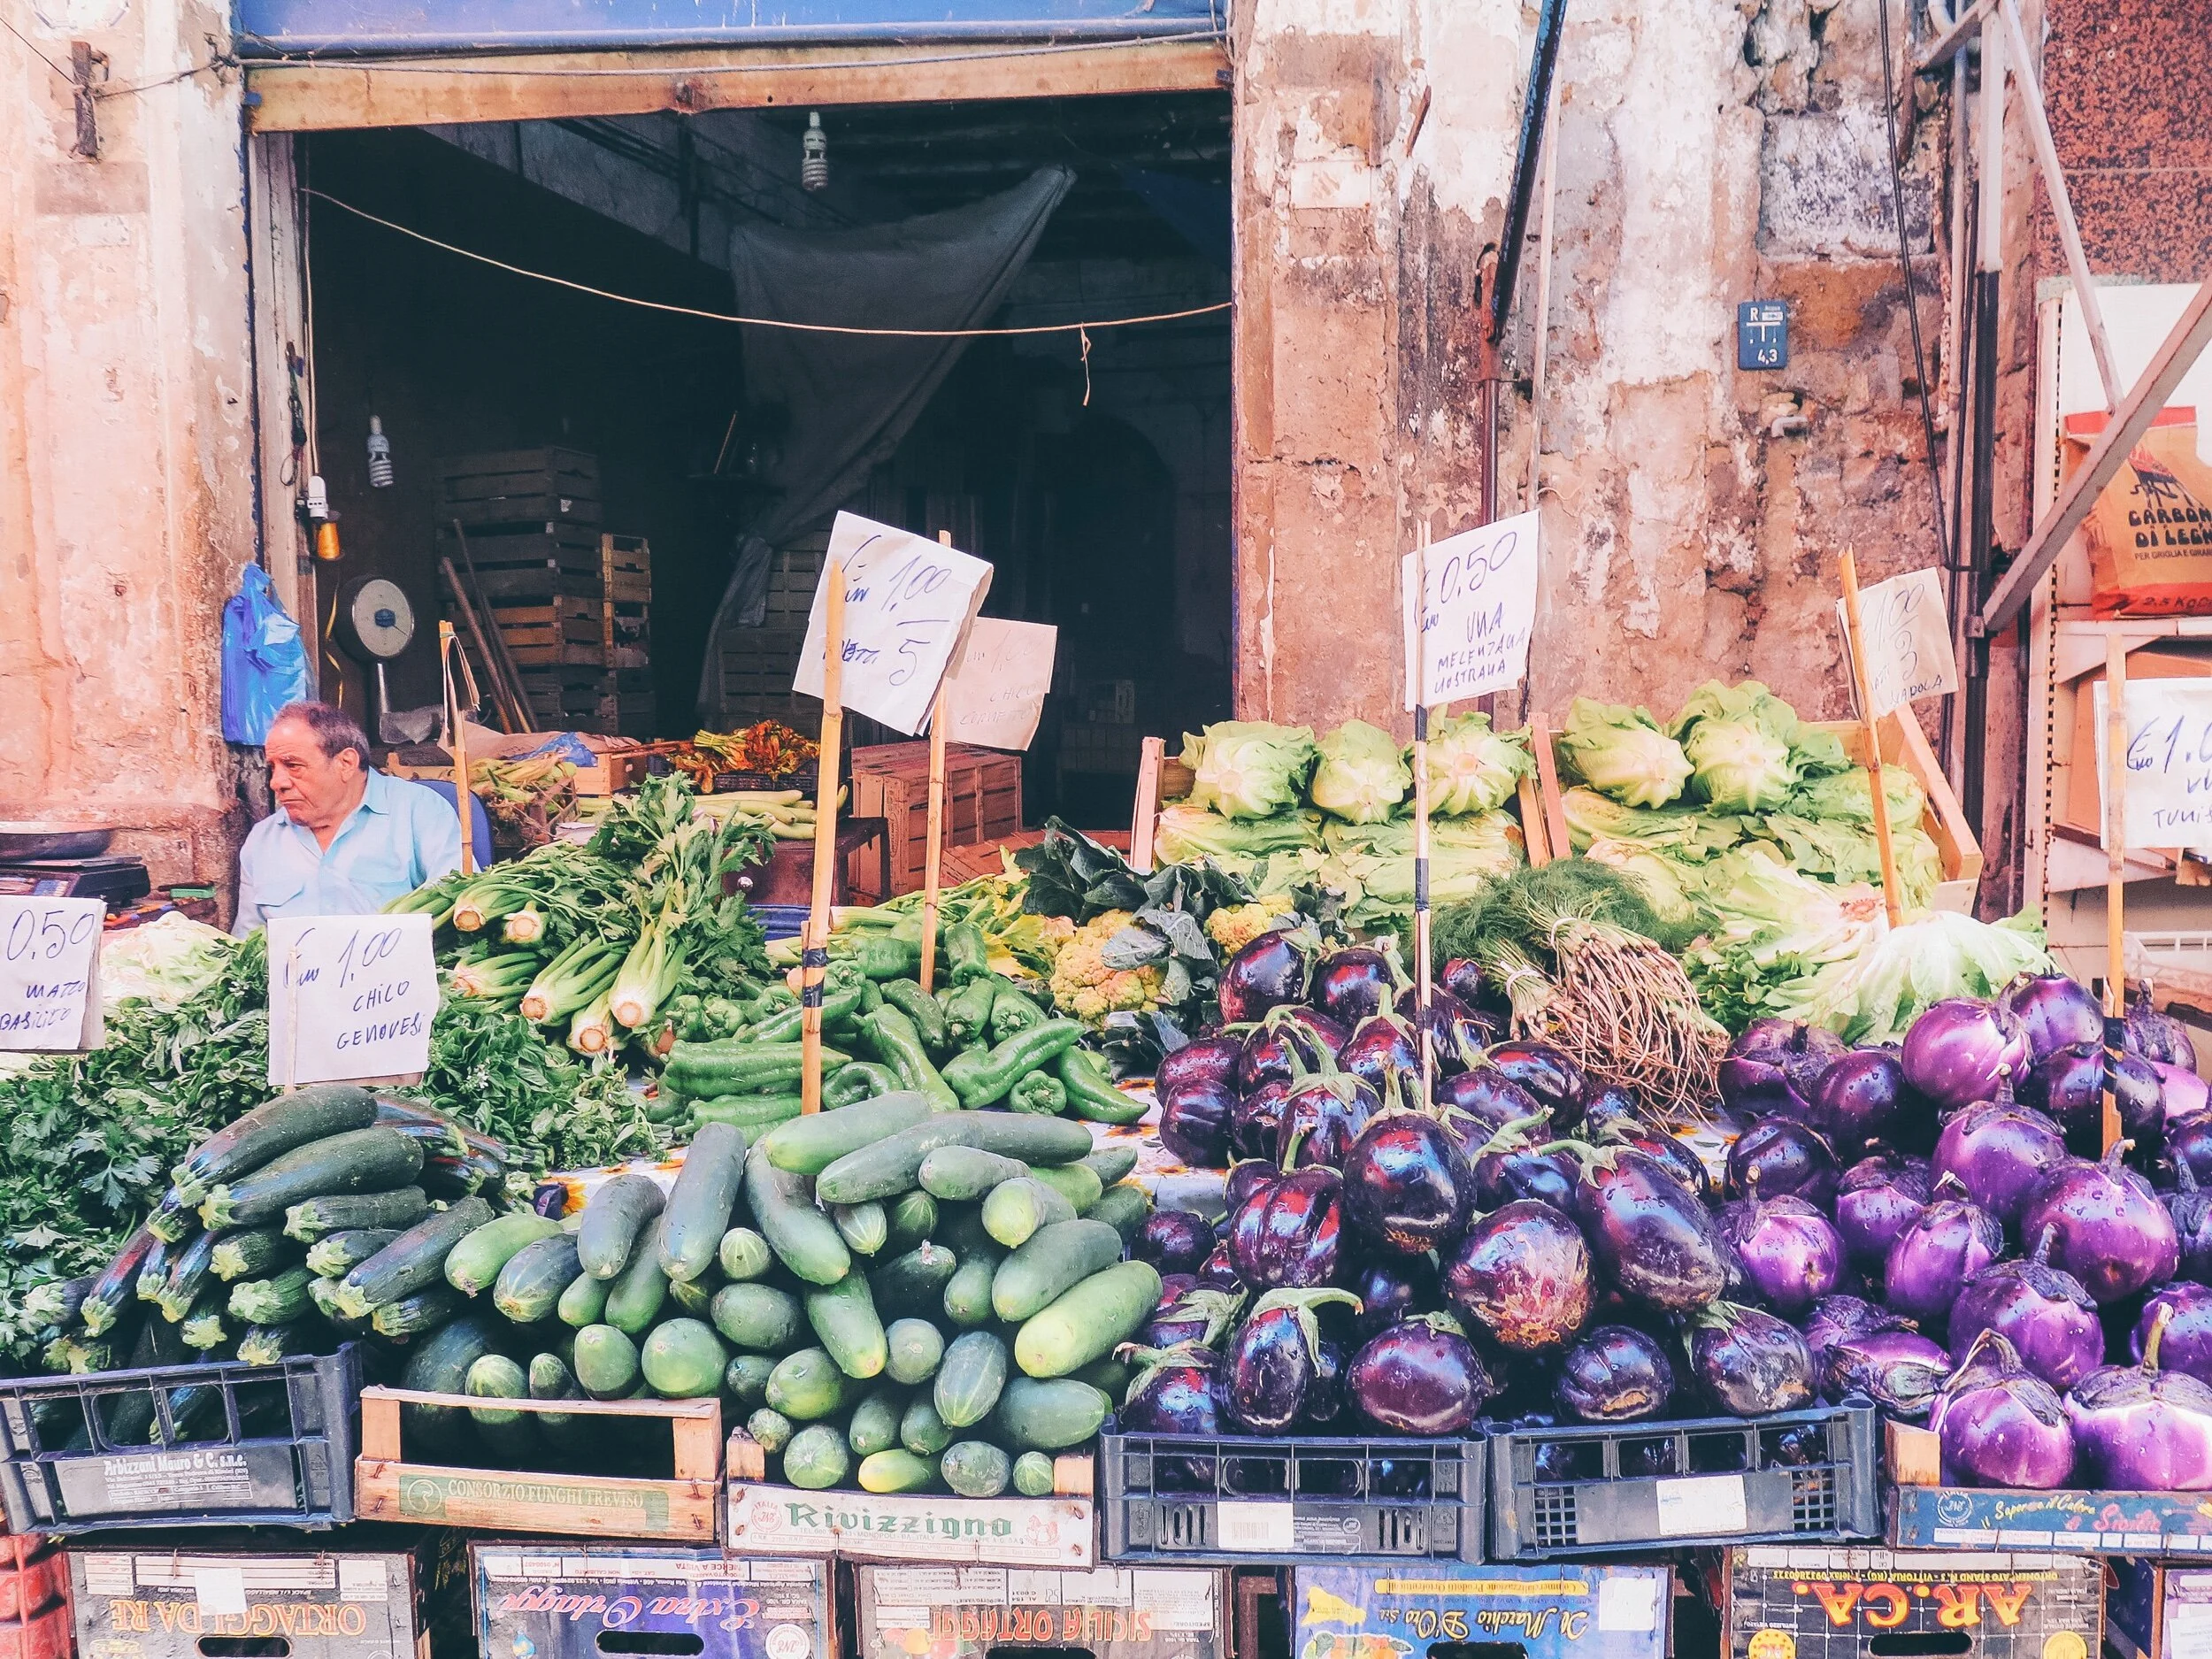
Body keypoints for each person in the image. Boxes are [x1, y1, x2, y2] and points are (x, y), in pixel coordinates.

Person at [233, 701, 465, 935]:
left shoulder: (420, 811)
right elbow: (247, 943)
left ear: (346, 764)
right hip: (293, 971)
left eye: (293, 765)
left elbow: (460, 907)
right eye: (273, 767)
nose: (276, 782)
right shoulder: (262, 840)